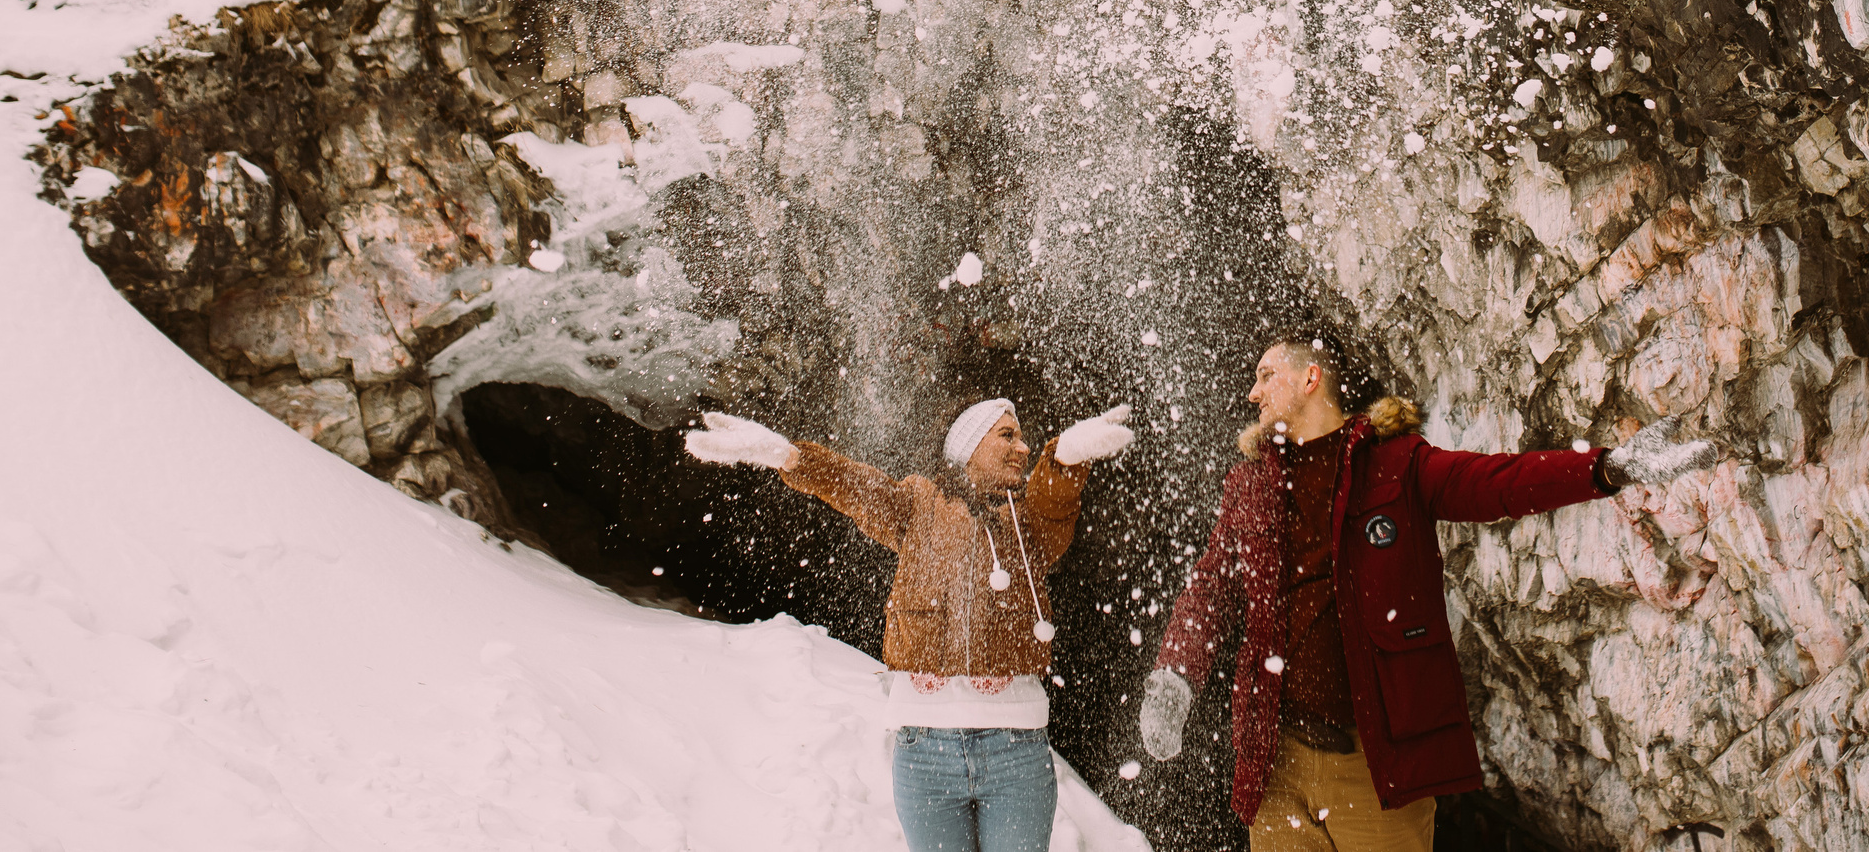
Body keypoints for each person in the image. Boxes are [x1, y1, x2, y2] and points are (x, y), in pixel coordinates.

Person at [1136, 332, 1716, 851]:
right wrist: (1173, 674)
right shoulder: (1250, 484)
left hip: (1375, 768)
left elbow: (1497, 484)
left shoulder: (1395, 465)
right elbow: (1208, 589)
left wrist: (1605, 469)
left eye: (1267, 376)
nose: (1253, 395)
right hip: (1277, 762)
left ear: (1311, 379)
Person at [685, 395, 1135, 852]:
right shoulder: (918, 504)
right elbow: (857, 489)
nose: (1022, 447)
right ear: (970, 444)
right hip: (924, 757)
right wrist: (790, 457)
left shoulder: (1029, 524)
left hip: (1015, 753)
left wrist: (1064, 458)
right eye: (1007, 435)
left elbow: (1053, 502)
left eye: (1022, 438)